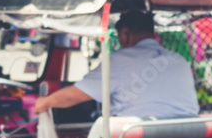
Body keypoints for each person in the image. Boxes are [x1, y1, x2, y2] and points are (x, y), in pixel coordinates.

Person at [33, 10, 199, 118]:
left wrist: (44, 103)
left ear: (125, 34)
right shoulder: (178, 60)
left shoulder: (120, 60)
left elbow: (73, 95)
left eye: (119, 36)